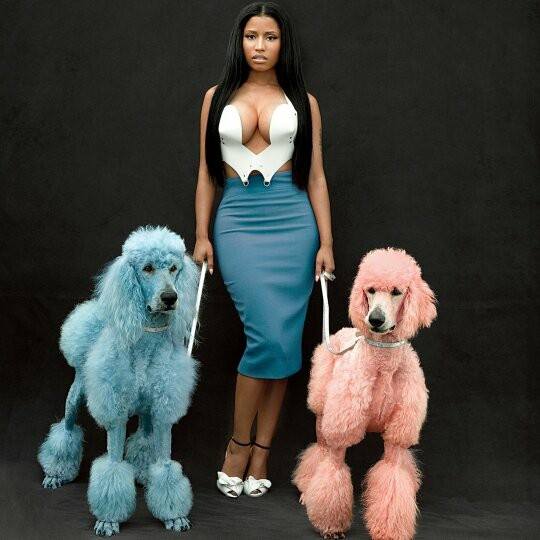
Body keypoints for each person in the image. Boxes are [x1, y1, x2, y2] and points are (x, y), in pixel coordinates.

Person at [193, 1, 334, 498]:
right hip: (237, 221)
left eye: (270, 37)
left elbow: (315, 177)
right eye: (251, 36)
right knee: (266, 335)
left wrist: (326, 242)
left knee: (284, 342)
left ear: (282, 44)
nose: (259, 46)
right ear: (240, 41)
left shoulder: (304, 102)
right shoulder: (215, 98)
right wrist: (202, 234)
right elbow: (206, 174)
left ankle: (262, 453)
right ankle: (237, 445)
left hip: (294, 224)